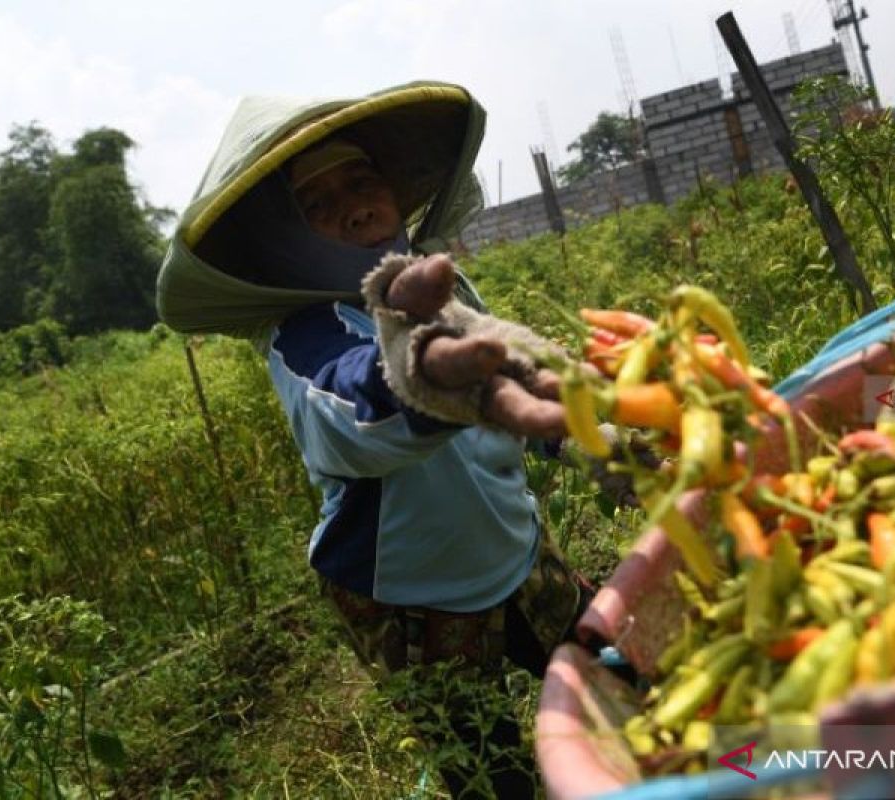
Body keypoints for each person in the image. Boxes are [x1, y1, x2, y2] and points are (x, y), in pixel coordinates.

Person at [155, 83, 595, 798]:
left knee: (622, 675)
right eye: (317, 206)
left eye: (361, 181)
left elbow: (515, 375)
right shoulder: (307, 341)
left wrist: (579, 431)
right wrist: (425, 376)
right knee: (493, 775)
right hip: (412, 597)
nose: (354, 206)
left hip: (514, 547)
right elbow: (358, 414)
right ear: (282, 243)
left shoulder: (446, 292)